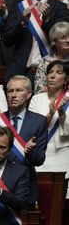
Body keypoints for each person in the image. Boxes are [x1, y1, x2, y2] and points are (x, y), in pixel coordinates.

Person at [0, 76, 47, 204]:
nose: (13, 95)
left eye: (18, 90)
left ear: (28, 94)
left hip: (25, 188)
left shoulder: (39, 122)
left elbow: (39, 160)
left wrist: (29, 151)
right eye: (10, 91)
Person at [2, 0, 69, 81]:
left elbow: (62, 39)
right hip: (21, 71)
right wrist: (23, 23)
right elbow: (7, 40)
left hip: (50, 71)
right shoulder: (19, 7)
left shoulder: (60, 8)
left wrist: (47, 20)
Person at [28, 59, 69, 196]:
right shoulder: (36, 99)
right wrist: (51, 113)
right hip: (40, 153)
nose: (52, 76)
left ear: (66, 78)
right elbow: (33, 128)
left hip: (62, 155)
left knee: (61, 198)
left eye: (58, 72)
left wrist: (62, 111)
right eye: (50, 72)